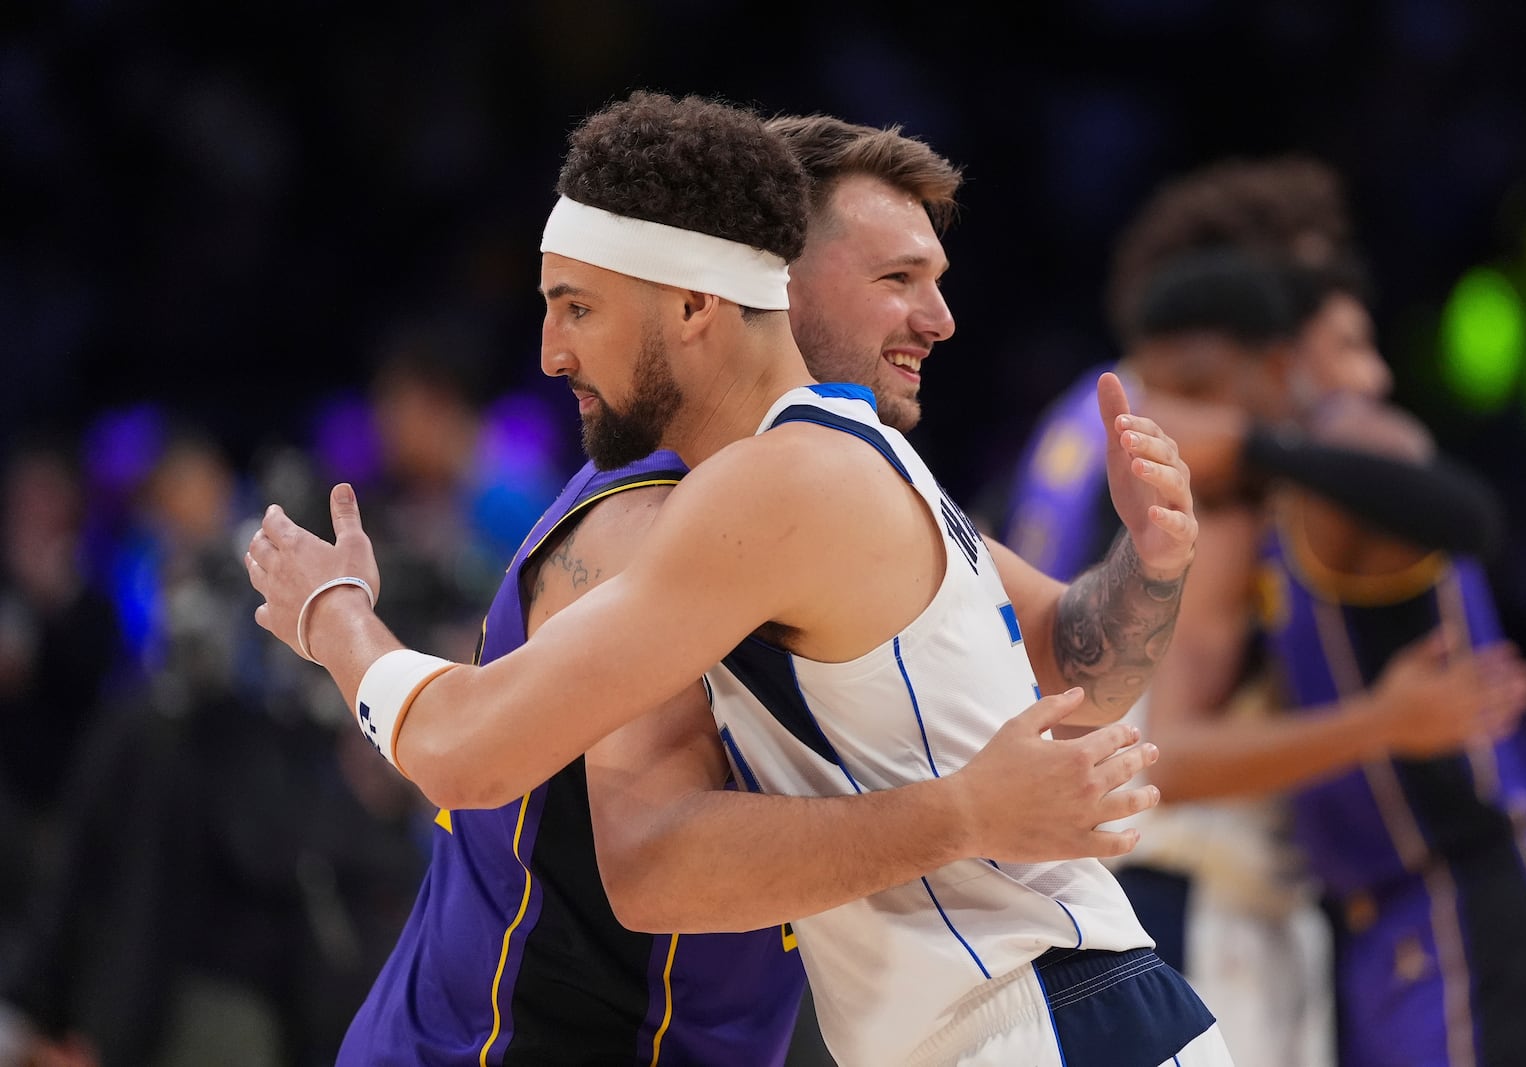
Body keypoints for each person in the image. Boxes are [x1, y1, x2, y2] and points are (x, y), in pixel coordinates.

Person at [245, 91, 1230, 1065]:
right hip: (1018, 1009)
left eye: (577, 307)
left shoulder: (798, 477)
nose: (937, 316)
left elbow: (467, 752)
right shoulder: (779, 480)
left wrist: (330, 614)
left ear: (705, 298)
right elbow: (1065, 669)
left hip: (1035, 1017)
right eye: (897, 275)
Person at [1134, 249, 1526, 1067]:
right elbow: (1168, 755)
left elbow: (1469, 515)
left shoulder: (1354, 443)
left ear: (1276, 365)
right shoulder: (1240, 525)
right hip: (1375, 927)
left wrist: (1255, 445)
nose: (1371, 375)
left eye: (1197, 394)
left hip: (1478, 892)